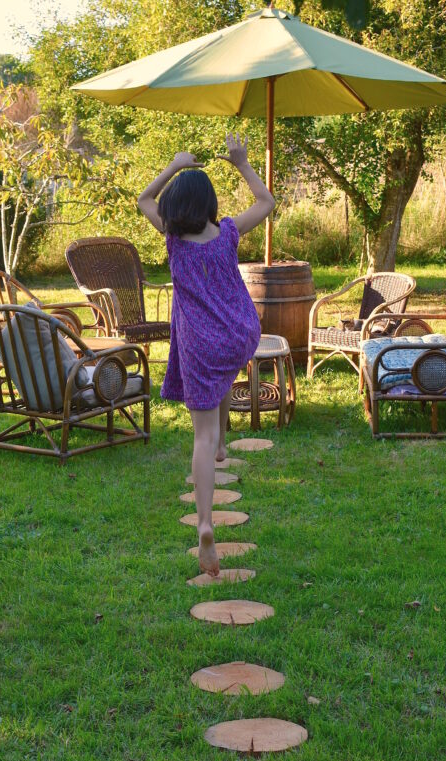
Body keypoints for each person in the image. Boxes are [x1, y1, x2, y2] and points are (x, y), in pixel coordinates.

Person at [138, 134, 274, 577]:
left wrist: (174, 165)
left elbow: (144, 198)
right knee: (222, 376)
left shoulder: (173, 239)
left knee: (199, 435)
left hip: (199, 340)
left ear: (177, 207)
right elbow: (266, 201)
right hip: (240, 333)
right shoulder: (228, 233)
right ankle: (220, 446)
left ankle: (204, 524)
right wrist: (242, 163)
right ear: (211, 204)